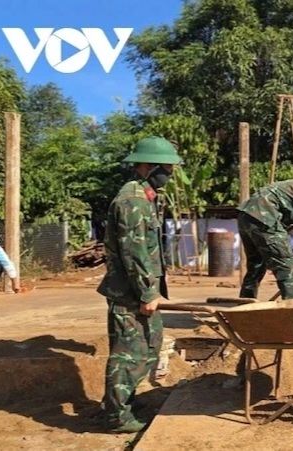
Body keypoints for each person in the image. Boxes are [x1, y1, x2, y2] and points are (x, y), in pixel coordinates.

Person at [97, 136, 181, 433]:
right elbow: (134, 252)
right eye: (167, 168)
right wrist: (147, 292)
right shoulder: (132, 200)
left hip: (140, 290)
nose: (170, 173)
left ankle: (125, 401)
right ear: (147, 165)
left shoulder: (144, 196)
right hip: (130, 292)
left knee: (149, 345)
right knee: (128, 352)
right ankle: (117, 416)